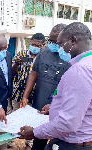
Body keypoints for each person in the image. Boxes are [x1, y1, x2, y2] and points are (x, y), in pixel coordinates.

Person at [19, 22, 92, 150]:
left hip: (72, 143)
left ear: (73, 40)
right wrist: (54, 108)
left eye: (60, 44)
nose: (59, 49)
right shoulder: (87, 63)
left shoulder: (80, 69)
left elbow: (68, 123)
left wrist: (34, 132)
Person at [20, 24, 70, 150]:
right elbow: (33, 74)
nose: (52, 43)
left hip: (59, 108)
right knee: (38, 140)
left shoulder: (69, 57)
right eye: (50, 40)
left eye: (55, 41)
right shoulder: (43, 52)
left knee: (56, 141)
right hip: (40, 104)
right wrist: (25, 96)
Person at [9, 33, 45, 149]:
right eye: (33, 44)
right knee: (14, 117)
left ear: (42, 45)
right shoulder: (21, 54)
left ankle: (28, 144)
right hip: (18, 93)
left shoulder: (43, 58)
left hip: (34, 96)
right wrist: (17, 64)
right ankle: (10, 140)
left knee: (30, 119)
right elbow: (12, 73)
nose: (34, 46)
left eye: (37, 45)